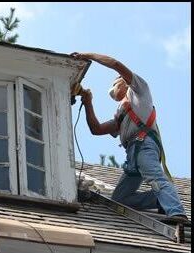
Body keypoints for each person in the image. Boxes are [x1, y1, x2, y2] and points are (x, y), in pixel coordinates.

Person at [71, 52, 188, 224]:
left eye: (114, 83)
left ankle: (176, 212)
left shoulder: (139, 91)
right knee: (120, 199)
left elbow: (116, 64)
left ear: (124, 82)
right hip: (133, 154)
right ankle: (159, 200)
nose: (112, 89)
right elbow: (96, 129)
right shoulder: (122, 114)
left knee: (155, 177)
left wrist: (86, 55)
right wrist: (88, 101)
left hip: (144, 145)